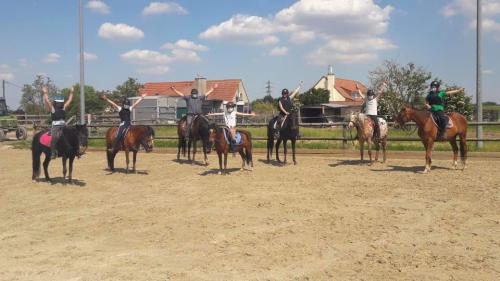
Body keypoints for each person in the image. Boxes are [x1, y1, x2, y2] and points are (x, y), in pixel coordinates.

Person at [42, 85, 74, 159]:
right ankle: (53, 152)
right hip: (55, 126)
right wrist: (45, 93)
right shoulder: (52, 108)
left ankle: (75, 150)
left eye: (61, 103)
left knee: (72, 134)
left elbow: (69, 100)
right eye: (58, 103)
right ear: (56, 103)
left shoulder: (63, 107)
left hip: (63, 125)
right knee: (54, 138)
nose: (60, 104)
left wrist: (71, 92)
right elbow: (47, 100)